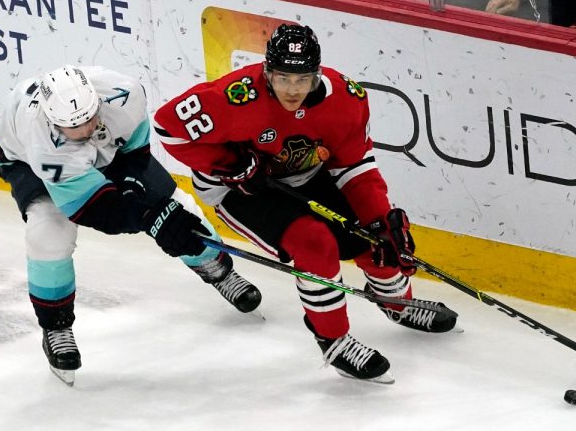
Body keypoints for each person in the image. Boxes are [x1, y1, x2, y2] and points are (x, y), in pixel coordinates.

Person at [153, 24, 458, 384]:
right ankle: (334, 340)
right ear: (267, 72)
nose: (292, 90)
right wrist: (229, 164)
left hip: (306, 176)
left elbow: (355, 167)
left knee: (375, 236)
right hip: (240, 190)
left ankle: (397, 302)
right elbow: (168, 127)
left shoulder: (347, 98)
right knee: (314, 243)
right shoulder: (236, 98)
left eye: (302, 79)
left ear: (317, 74)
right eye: (282, 78)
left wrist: (379, 219)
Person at [0, 65, 261, 385]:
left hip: (109, 153)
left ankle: (219, 271)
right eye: (73, 126)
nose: (85, 128)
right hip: (27, 163)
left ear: (96, 100)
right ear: (53, 122)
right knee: (50, 234)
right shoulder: (45, 143)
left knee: (178, 205)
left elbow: (135, 152)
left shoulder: (124, 93)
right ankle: (56, 327)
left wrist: (137, 187)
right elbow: (94, 209)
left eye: (90, 117)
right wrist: (148, 218)